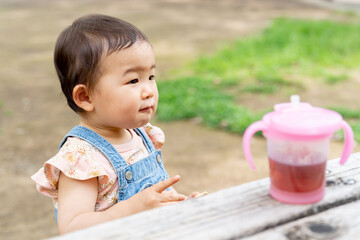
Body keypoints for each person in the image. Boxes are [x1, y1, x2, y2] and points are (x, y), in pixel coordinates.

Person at [31, 14, 200, 234]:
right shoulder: (81, 158)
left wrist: (178, 204)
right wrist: (134, 208)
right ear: (85, 97)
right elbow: (71, 228)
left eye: (151, 76)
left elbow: (154, 196)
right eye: (133, 81)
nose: (149, 90)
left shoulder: (142, 136)